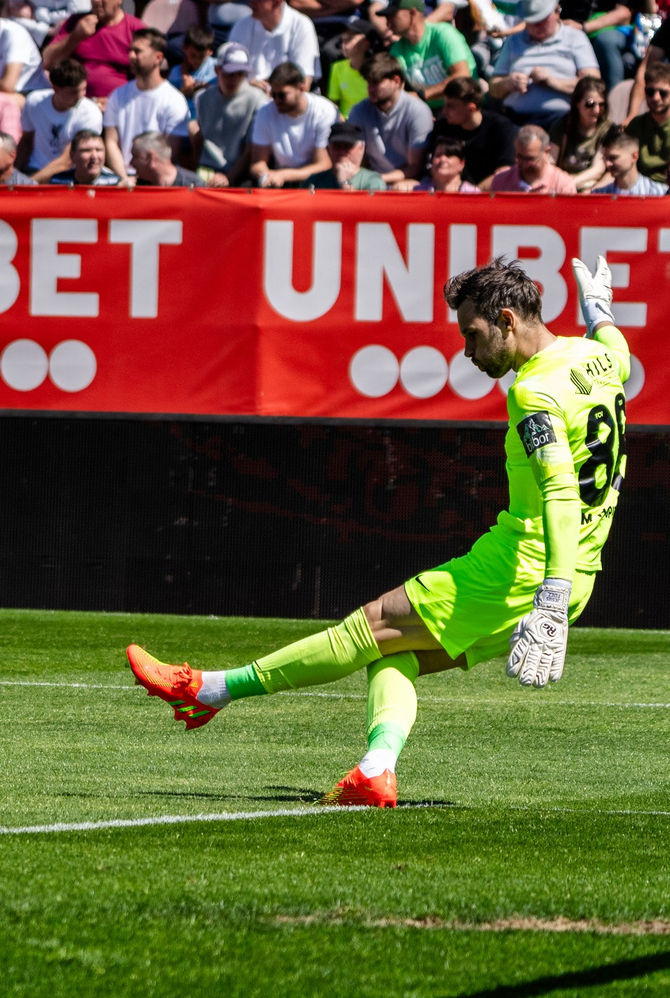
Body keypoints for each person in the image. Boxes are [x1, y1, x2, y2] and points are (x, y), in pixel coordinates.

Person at [126, 254, 632, 805]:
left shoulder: (532, 393)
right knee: (394, 655)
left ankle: (207, 690)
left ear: (508, 320)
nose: (467, 350)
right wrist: (599, 310)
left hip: (525, 567)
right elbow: (619, 350)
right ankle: (375, 771)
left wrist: (550, 592)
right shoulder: (598, 359)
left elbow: (558, 491)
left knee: (368, 626)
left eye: (473, 333)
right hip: (580, 572)